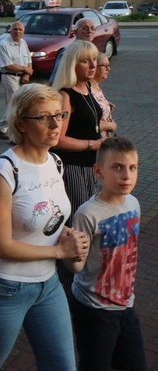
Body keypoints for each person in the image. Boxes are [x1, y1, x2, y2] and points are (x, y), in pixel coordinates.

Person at [0, 84, 87, 370]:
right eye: (44, 117)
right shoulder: (5, 170)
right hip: (5, 288)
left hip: (47, 285)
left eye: (59, 114)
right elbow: (0, 246)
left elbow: (53, 218)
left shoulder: (55, 162)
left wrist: (67, 235)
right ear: (21, 123)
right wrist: (60, 252)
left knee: (63, 366)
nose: (56, 123)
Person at [65, 137, 145, 371]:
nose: (126, 176)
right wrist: (69, 251)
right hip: (94, 309)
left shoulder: (134, 204)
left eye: (132, 168)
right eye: (117, 167)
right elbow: (76, 267)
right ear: (98, 171)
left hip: (126, 304)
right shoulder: (88, 213)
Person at [51, 40, 106, 289]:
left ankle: (78, 276)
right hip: (72, 168)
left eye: (94, 59)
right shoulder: (66, 94)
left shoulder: (88, 89)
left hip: (89, 168)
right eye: (86, 60)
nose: (93, 65)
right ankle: (65, 282)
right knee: (74, 225)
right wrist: (92, 145)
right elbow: (58, 140)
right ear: (74, 64)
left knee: (86, 221)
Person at [0, 21, 33, 139]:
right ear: (10, 30)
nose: (17, 32)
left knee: (15, 105)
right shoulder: (3, 45)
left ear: (23, 32)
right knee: (16, 105)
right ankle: (14, 135)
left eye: (20, 30)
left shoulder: (24, 43)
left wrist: (27, 74)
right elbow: (8, 65)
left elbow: (29, 61)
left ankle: (1, 128)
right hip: (9, 77)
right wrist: (26, 69)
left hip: (21, 78)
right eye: (15, 29)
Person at [48, 18, 97, 84]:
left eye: (92, 28)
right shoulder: (70, 51)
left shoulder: (90, 49)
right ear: (75, 32)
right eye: (85, 28)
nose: (90, 31)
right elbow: (54, 79)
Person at [92, 52, 117, 138]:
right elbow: (87, 125)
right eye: (105, 65)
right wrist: (110, 126)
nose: (109, 69)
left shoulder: (97, 87)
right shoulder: (88, 91)